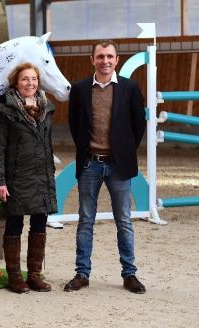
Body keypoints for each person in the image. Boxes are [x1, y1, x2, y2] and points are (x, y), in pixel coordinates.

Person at [65, 39, 147, 294]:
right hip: (90, 164)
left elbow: (138, 125)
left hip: (118, 166)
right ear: (92, 60)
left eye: (110, 56)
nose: (105, 61)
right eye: (100, 56)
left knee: (123, 220)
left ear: (117, 59)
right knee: (85, 220)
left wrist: (124, 151)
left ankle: (130, 274)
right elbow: (74, 124)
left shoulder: (130, 88)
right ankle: (82, 273)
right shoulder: (79, 89)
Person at [0, 62, 58, 294]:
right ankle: (15, 276)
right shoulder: (3, 110)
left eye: (34, 79)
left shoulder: (46, 107)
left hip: (41, 176)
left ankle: (35, 275)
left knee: (39, 224)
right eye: (25, 79)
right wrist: (0, 180)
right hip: (16, 177)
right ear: (16, 83)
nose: (30, 83)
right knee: (14, 224)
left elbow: (47, 144)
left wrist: (50, 174)